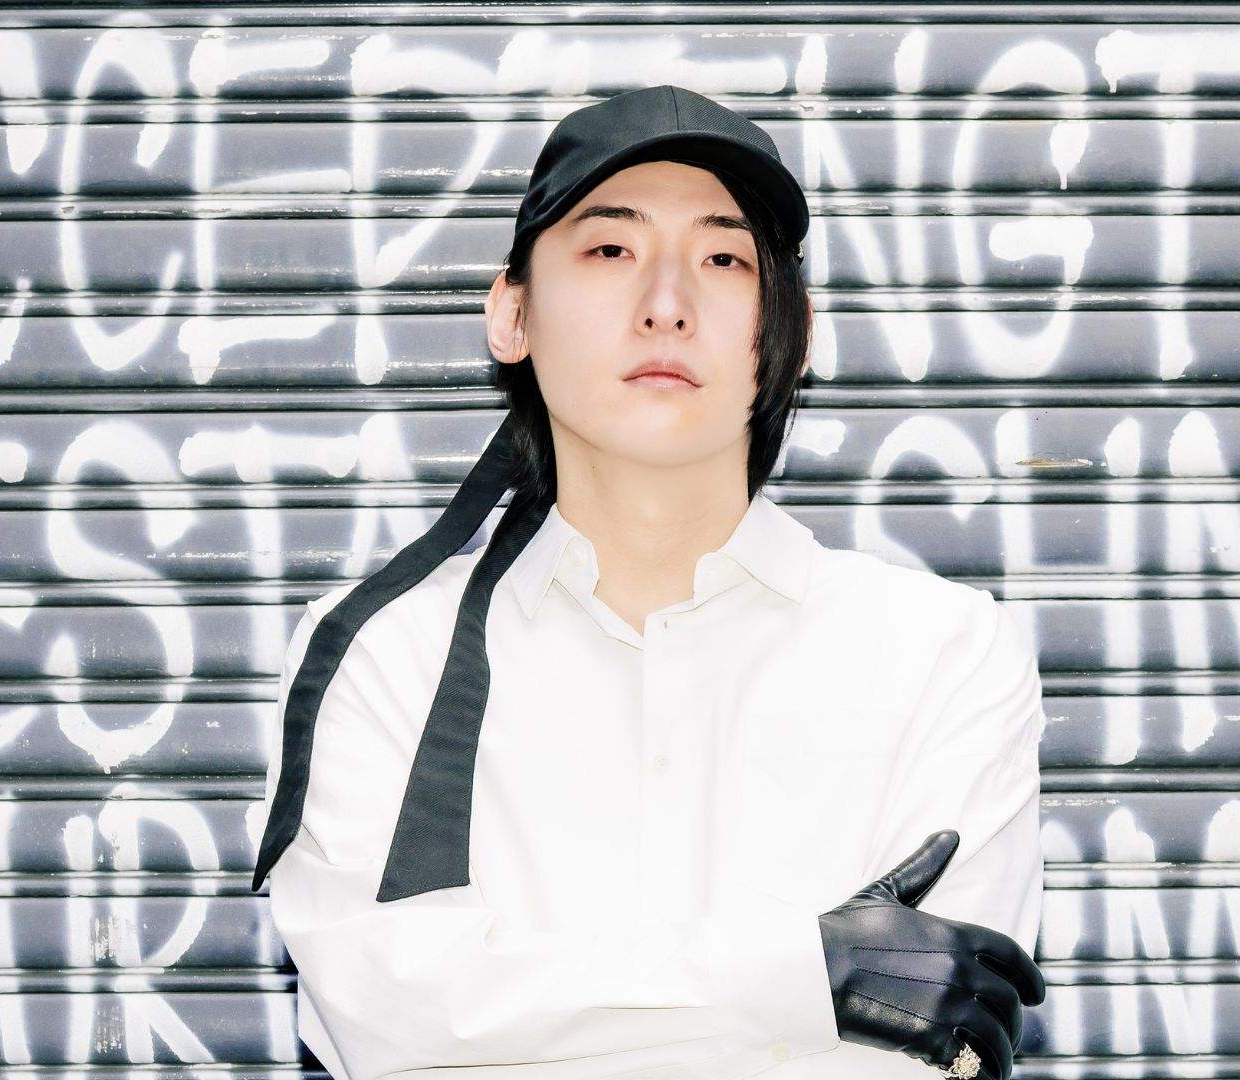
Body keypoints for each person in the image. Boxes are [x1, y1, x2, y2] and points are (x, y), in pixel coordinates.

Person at [251, 85, 1047, 1080]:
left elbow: (937, 1048)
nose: (666, 302)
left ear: (794, 333)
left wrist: (505, 1013)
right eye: (609, 249)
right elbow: (380, 1019)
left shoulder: (942, 654)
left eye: (723, 259)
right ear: (511, 313)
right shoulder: (380, 653)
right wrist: (794, 981)